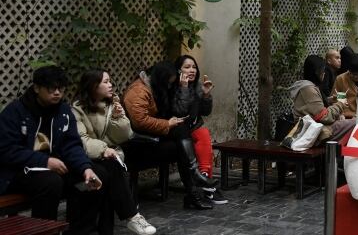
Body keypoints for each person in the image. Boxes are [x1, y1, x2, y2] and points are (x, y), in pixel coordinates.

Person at [0, 66, 103, 234]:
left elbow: (72, 144)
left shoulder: (63, 111)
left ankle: (78, 230)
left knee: (93, 177)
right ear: (36, 88)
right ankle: (45, 231)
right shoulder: (15, 111)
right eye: (51, 88)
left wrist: (86, 168)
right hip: (18, 172)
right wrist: (45, 161)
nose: (57, 93)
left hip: (55, 168)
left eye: (61, 89)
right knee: (51, 183)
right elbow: (6, 150)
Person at [72, 69, 156, 235]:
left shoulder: (112, 105)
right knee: (109, 172)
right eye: (106, 82)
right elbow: (82, 140)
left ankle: (120, 223)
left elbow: (124, 136)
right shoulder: (77, 110)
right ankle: (131, 216)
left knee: (110, 169)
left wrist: (118, 118)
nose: (111, 85)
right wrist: (104, 149)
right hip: (86, 159)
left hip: (110, 157)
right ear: (93, 86)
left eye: (110, 81)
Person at [123, 61, 216, 211]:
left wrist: (195, 94)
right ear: (161, 78)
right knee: (182, 146)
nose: (169, 85)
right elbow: (139, 122)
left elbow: (193, 112)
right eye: (168, 82)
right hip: (138, 143)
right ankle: (194, 186)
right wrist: (167, 124)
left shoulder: (156, 87)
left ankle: (193, 190)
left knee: (182, 137)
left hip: (154, 137)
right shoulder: (138, 91)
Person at [172, 54, 227, 205]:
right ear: (178, 70)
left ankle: (204, 178)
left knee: (203, 133)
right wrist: (183, 89)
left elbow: (205, 112)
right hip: (177, 130)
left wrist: (206, 95)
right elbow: (180, 113)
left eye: (194, 67)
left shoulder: (196, 86)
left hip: (193, 128)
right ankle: (207, 184)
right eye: (187, 67)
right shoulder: (173, 88)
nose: (192, 70)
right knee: (203, 134)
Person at [289, 56, 355, 143]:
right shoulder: (308, 89)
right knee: (356, 123)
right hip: (314, 131)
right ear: (316, 72)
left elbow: (315, 108)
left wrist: (329, 101)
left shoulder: (308, 86)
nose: (324, 73)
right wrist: (340, 104)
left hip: (316, 126)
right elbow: (324, 117)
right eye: (322, 71)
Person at [330, 53, 358, 119]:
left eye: (355, 74)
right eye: (350, 72)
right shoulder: (341, 79)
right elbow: (337, 100)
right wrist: (340, 114)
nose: (351, 75)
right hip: (346, 117)